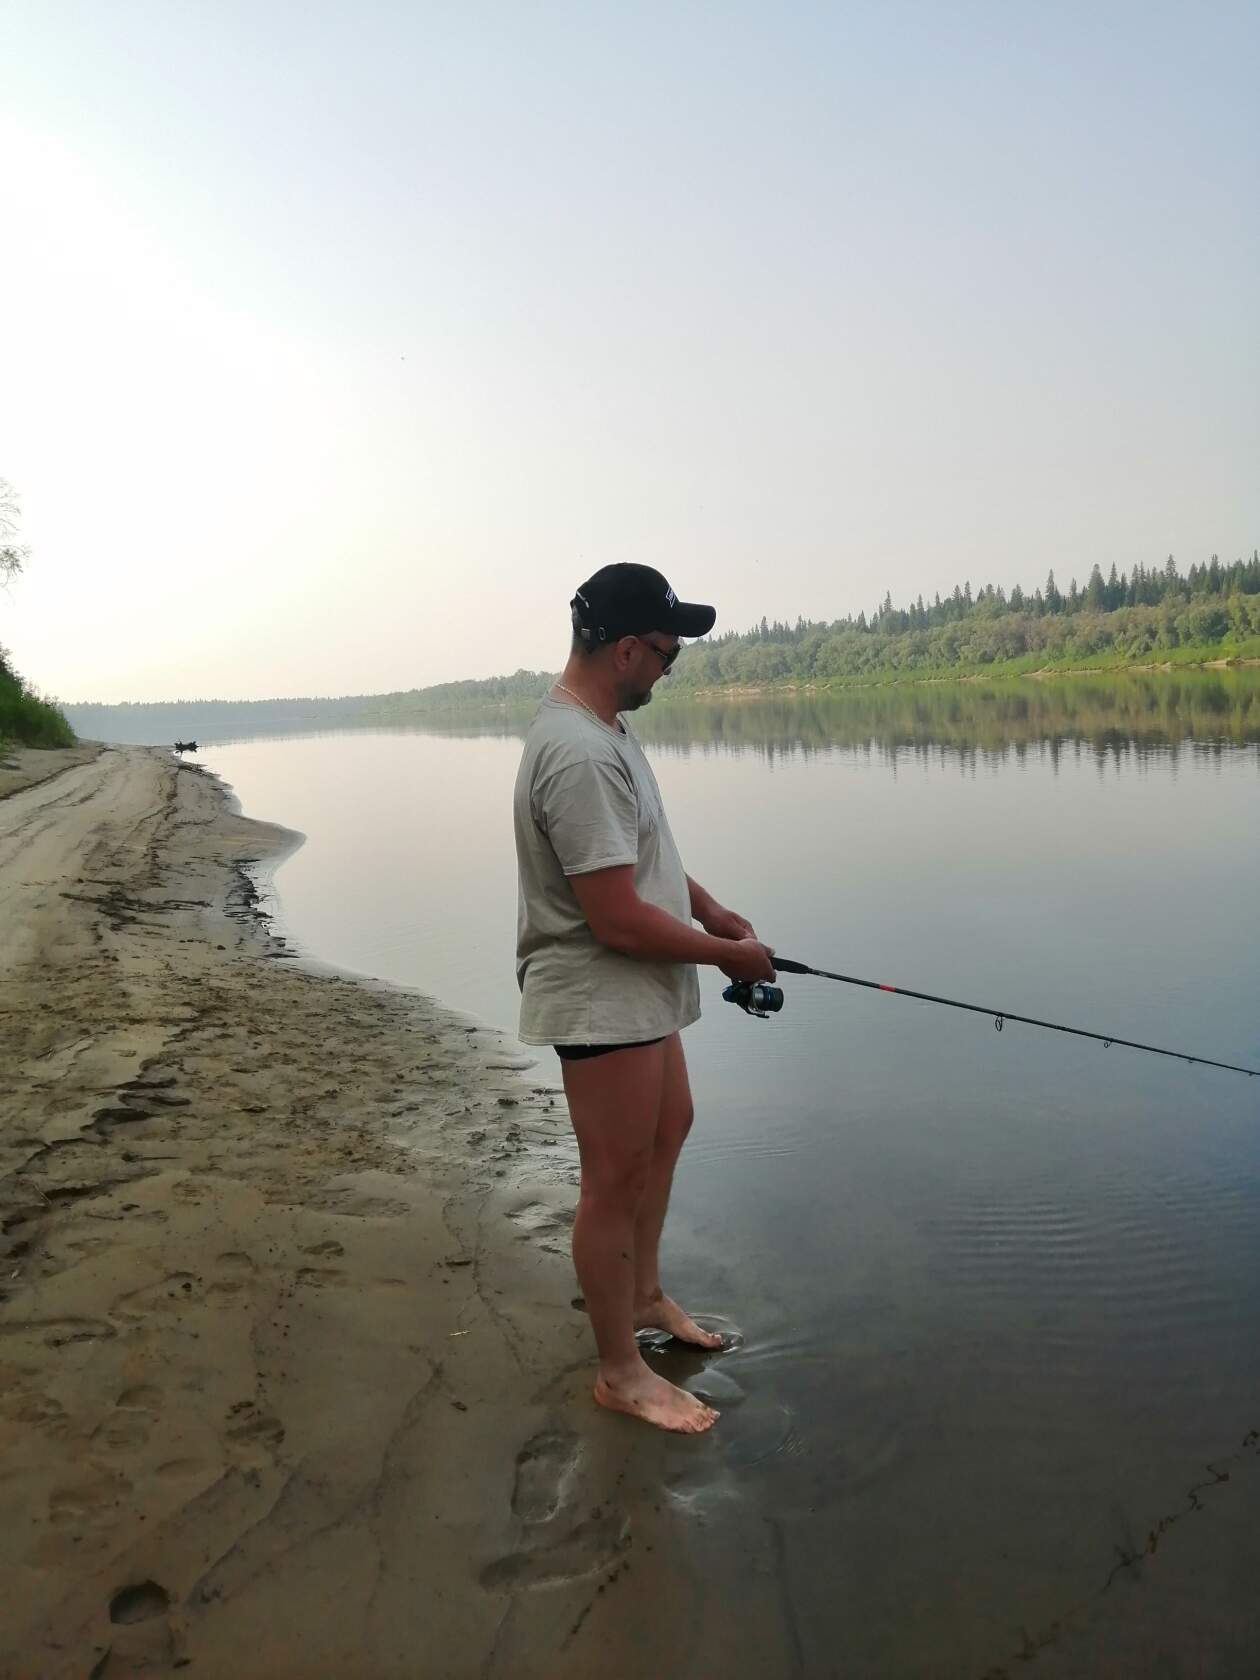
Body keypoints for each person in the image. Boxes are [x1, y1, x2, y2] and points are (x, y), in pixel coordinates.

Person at [512, 564, 777, 1433]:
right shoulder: (578, 753)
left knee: (669, 1129)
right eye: (667, 652)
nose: (671, 667)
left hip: (641, 992)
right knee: (613, 1178)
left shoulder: (609, 730)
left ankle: (646, 1296)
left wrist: (710, 911)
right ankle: (619, 1372)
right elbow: (616, 918)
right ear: (626, 647)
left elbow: (640, 859)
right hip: (599, 995)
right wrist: (731, 958)